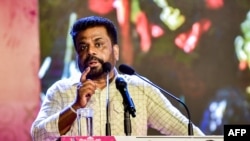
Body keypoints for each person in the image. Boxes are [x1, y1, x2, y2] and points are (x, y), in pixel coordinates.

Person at [30, 16, 205, 141]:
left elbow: (186, 132)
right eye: (83, 47)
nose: (90, 51)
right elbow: (38, 135)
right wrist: (75, 107)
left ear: (116, 52)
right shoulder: (61, 91)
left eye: (98, 44)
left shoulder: (139, 89)